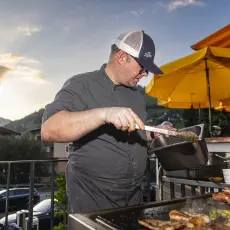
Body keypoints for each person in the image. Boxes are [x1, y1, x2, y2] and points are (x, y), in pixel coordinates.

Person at [41, 30, 165, 214]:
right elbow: (49, 129)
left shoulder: (137, 96)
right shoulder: (81, 84)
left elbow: (136, 130)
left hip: (134, 195)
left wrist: (154, 132)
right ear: (122, 57)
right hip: (92, 196)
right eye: (142, 67)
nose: (145, 74)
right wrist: (104, 114)